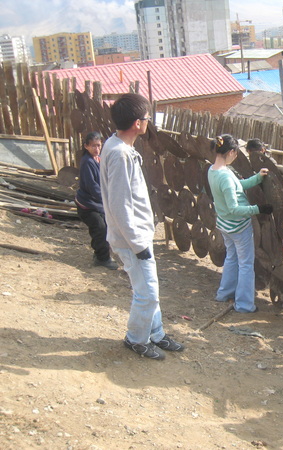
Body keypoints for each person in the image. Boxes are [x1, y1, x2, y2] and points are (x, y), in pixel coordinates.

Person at [100, 93, 184, 361]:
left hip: (136, 237)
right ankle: (135, 338)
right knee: (146, 293)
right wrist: (138, 245)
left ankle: (155, 333)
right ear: (137, 123)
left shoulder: (116, 145)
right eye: (147, 118)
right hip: (131, 240)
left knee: (150, 289)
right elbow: (120, 205)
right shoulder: (120, 154)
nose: (148, 122)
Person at [207, 134, 273, 313]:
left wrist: (258, 178)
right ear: (230, 152)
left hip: (224, 224)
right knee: (245, 264)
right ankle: (244, 305)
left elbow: (238, 186)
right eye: (236, 153)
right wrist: (258, 209)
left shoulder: (214, 170)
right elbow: (234, 208)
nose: (236, 156)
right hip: (237, 226)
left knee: (232, 257)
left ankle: (224, 293)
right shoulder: (225, 176)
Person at [75, 131, 118, 270]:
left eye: (99, 145)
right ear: (86, 146)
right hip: (87, 204)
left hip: (97, 203)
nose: (97, 149)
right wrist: (107, 199)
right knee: (100, 228)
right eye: (93, 146)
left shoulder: (98, 159)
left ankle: (100, 254)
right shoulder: (87, 162)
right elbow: (92, 186)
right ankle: (102, 258)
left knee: (105, 227)